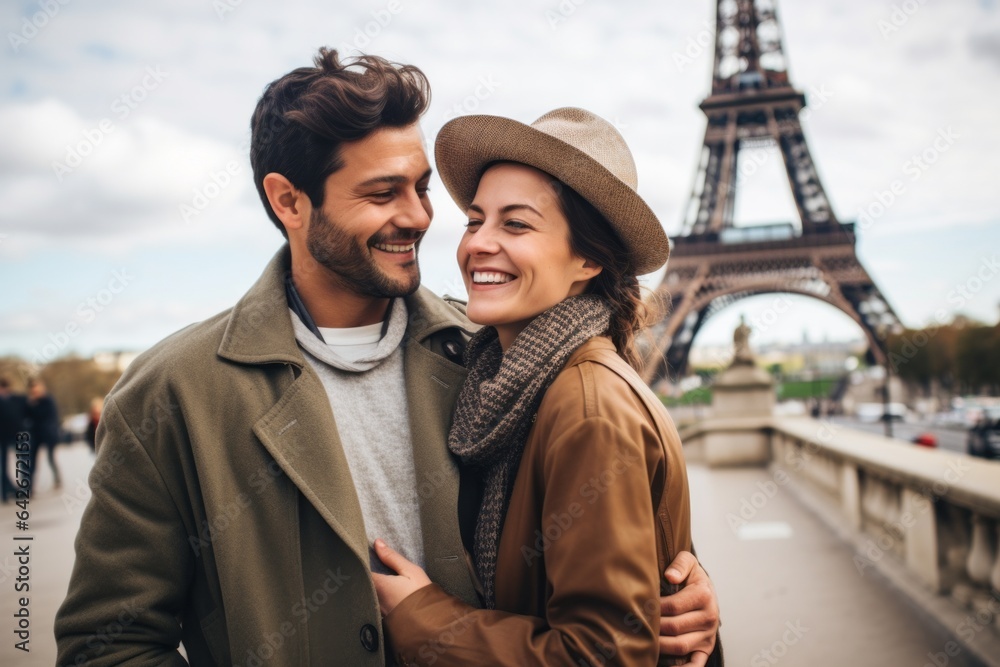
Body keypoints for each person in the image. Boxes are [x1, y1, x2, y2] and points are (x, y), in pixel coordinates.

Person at [55, 50, 718, 665]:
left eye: (422, 187)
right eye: (382, 194)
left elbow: (598, 569)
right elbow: (107, 644)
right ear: (289, 200)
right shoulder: (170, 394)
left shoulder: (503, 363)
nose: (420, 217)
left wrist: (684, 593)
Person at [371, 108, 722, 666]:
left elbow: (602, 656)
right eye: (474, 220)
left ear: (587, 259)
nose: (478, 244)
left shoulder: (586, 410)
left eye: (516, 224)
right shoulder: (514, 382)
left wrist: (421, 617)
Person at [25, 377, 61, 493]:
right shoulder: (30, 402)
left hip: (48, 434)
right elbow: (29, 417)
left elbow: (51, 417)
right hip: (35, 434)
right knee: (32, 461)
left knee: (50, 458)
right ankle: (30, 486)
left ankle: (57, 480)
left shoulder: (48, 400)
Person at [0, 377, 27, 502]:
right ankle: (6, 492)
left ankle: (23, 488)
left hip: (17, 434)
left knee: (23, 462)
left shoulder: (18, 399)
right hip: (4, 436)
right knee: (3, 466)